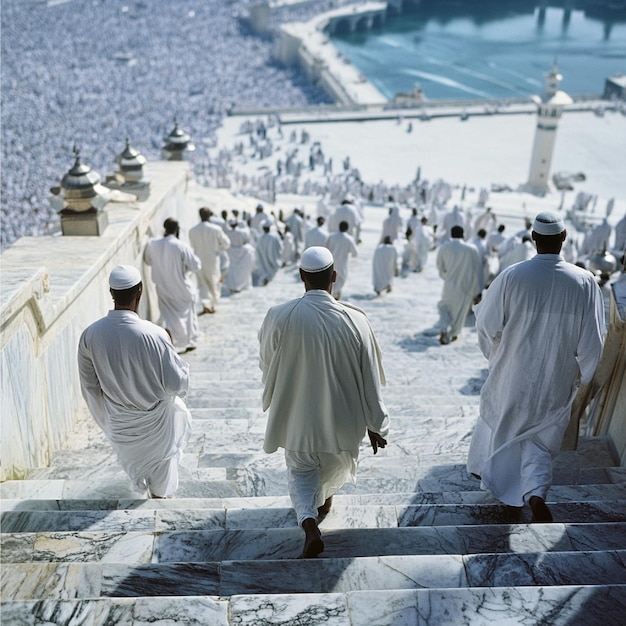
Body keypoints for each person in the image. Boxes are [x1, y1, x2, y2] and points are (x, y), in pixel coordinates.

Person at [467, 212, 605, 522]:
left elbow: (486, 325)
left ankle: (508, 489)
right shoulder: (584, 281)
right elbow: (593, 343)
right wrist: (581, 378)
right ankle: (536, 493)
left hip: (512, 374)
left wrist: (497, 357)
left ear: (533, 239)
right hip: (555, 378)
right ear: (564, 237)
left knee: (507, 429)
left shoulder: (512, 276)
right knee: (539, 441)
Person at [258, 247, 389, 558]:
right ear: (334, 276)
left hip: (297, 419)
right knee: (331, 470)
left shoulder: (279, 316)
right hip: (343, 424)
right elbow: (371, 378)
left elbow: (266, 363)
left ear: (302, 277)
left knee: (301, 472)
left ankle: (308, 522)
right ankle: (320, 506)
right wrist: (376, 424)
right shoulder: (356, 320)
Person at [77, 265, 192, 498]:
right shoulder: (156, 334)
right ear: (139, 291)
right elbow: (177, 384)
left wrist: (106, 420)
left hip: (121, 426)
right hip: (157, 425)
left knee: (136, 473)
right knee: (161, 487)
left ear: (111, 293)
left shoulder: (90, 335)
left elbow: (89, 387)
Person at [143, 218, 201, 353]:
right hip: (182, 288)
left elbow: (147, 260)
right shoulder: (181, 246)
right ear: (176, 229)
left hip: (163, 288)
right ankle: (190, 340)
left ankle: (172, 340)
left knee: (168, 316)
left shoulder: (153, 244)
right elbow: (196, 265)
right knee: (188, 317)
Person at [435, 225, 483, 345]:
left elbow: (440, 267)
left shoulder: (444, 247)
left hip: (449, 285)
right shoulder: (471, 249)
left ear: (451, 234)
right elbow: (477, 271)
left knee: (444, 307)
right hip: (465, 287)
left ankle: (444, 329)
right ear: (463, 234)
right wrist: (478, 290)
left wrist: (447, 277)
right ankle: (453, 334)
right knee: (459, 314)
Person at [189, 207, 231, 315]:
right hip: (212, 260)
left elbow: (192, 246)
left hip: (199, 259)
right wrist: (219, 248)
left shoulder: (193, 230)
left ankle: (205, 305)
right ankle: (212, 305)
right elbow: (226, 243)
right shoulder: (215, 229)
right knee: (213, 283)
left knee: (202, 284)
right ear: (210, 216)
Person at [326, 220, 358, 300]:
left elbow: (326, 249)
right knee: (339, 285)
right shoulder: (349, 238)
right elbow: (355, 253)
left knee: (330, 284)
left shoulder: (331, 236)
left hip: (330, 264)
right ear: (347, 228)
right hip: (342, 266)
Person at [255, 221, 283, 285]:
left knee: (265, 268)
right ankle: (267, 279)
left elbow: (257, 249)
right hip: (273, 257)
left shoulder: (260, 237)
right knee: (271, 270)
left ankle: (265, 278)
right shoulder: (274, 236)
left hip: (263, 258)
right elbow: (279, 246)